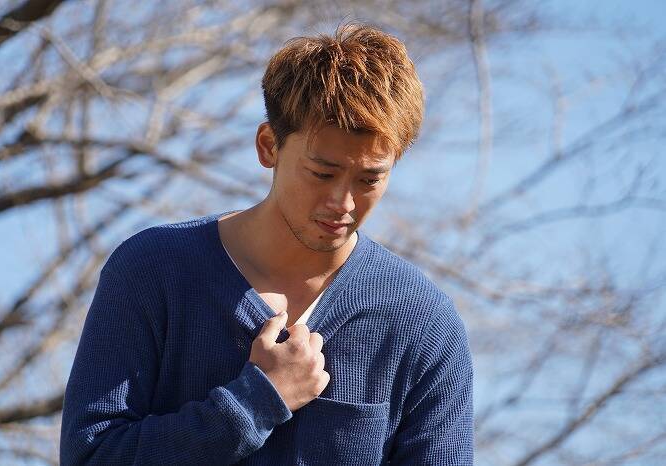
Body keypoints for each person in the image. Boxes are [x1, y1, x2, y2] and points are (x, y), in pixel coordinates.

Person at [60, 23, 473, 465]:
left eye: (369, 179)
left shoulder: (422, 322)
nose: (343, 203)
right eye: (322, 173)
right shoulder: (154, 270)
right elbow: (90, 456)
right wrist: (256, 402)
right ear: (268, 146)